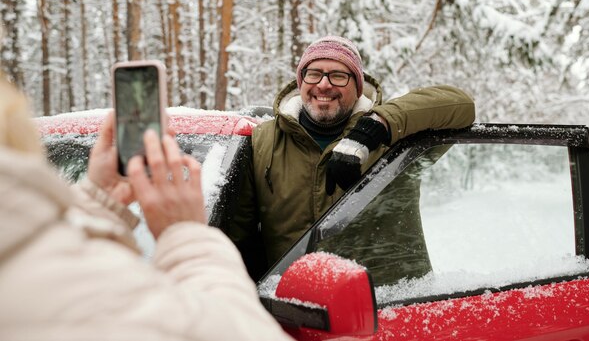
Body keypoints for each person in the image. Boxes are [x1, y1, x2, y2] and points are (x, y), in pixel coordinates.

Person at [0, 73, 293, 341]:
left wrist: (95, 202)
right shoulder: (110, 296)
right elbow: (244, 331)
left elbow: (40, 250)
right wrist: (187, 235)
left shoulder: (29, 272)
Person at [227, 35, 476, 280]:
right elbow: (239, 237)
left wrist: (378, 125)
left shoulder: (395, 137)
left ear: (357, 87)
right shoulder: (263, 141)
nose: (324, 85)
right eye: (313, 73)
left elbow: (462, 105)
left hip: (387, 304)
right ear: (301, 81)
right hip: (293, 306)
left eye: (338, 75)